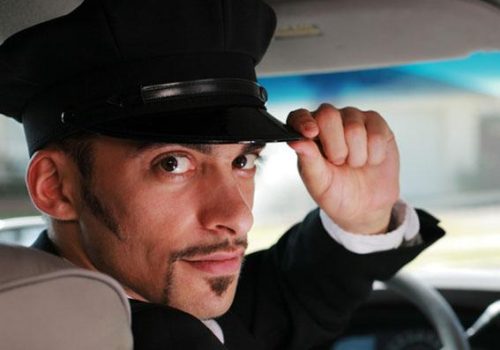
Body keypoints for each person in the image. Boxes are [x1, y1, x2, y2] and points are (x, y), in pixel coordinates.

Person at [0, 0, 444, 349]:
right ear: (56, 187)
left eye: (243, 161)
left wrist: (362, 219)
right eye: (172, 163)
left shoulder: (153, 307)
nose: (238, 215)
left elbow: (274, 311)